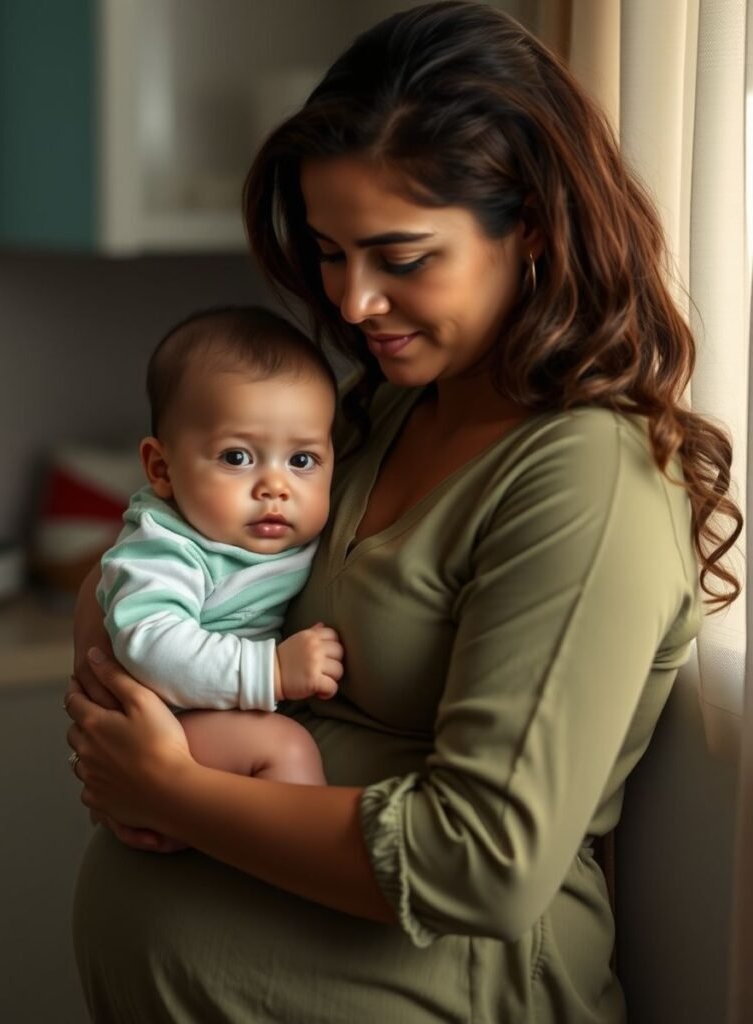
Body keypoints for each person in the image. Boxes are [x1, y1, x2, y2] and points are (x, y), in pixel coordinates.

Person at [64, 3, 743, 1021]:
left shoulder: (584, 480)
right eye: (332, 252)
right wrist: (110, 613)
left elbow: (483, 865)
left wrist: (172, 790)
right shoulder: (378, 411)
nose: (350, 303)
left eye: (401, 256)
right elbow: (191, 546)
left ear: (533, 232)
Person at [94, 306, 343, 791]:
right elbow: (150, 642)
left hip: (220, 713)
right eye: (237, 457)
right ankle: (293, 864)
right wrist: (270, 670)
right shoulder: (168, 546)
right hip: (171, 724)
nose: (275, 486)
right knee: (287, 750)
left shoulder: (284, 527)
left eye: (302, 459)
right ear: (162, 469)